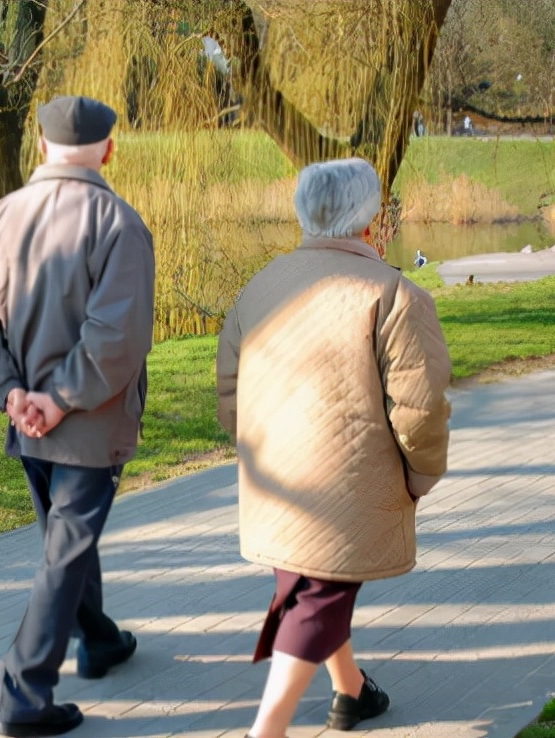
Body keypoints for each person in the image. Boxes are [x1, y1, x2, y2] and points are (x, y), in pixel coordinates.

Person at [216, 158, 452, 738]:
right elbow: (420, 410)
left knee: (308, 589)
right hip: (348, 486)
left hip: (275, 478)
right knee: (315, 600)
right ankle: (266, 730)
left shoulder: (261, 285)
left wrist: (251, 451)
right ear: (370, 223)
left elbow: (230, 389)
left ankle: (351, 691)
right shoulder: (394, 294)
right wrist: (420, 477)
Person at [0, 95, 155, 737]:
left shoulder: (1, 217)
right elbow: (116, 336)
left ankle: (98, 640)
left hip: (28, 423)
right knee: (63, 556)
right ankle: (23, 696)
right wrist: (58, 399)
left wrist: (12, 395)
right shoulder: (119, 224)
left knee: (65, 546)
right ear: (108, 150)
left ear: (41, 147)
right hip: (85, 427)